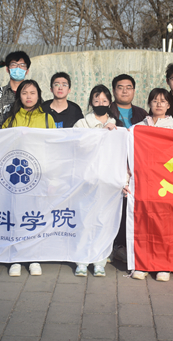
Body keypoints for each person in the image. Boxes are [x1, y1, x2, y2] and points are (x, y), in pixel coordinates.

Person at [122, 88, 173, 282]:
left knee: (164, 225)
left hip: (165, 184)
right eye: (155, 100)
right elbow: (128, 156)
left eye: (163, 101)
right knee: (143, 223)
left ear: (168, 105)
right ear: (149, 103)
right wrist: (126, 180)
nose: (159, 104)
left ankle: (163, 264)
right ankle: (142, 263)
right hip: (143, 183)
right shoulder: (137, 128)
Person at [1, 80, 54, 277]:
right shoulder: (11, 119)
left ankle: (34, 257)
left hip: (40, 176)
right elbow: (1, 146)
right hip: (16, 178)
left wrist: (52, 178)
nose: (29, 96)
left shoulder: (47, 118)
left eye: (32, 92)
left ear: (38, 95)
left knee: (35, 215)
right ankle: (15, 257)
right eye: (24, 93)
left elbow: (55, 148)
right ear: (19, 96)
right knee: (16, 215)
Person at [73, 85, 123, 277]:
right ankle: (81, 261)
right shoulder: (81, 123)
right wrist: (101, 132)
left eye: (104, 100)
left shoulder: (117, 125)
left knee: (104, 222)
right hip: (87, 180)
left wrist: (124, 180)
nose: (100, 103)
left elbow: (122, 155)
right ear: (91, 102)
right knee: (85, 220)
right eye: (96, 100)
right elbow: (77, 147)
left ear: (109, 102)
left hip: (108, 181)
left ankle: (100, 260)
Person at [0, 51, 31, 126]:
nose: (18, 68)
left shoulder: (34, 95)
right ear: (7, 69)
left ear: (27, 71)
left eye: (22, 65)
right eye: (14, 64)